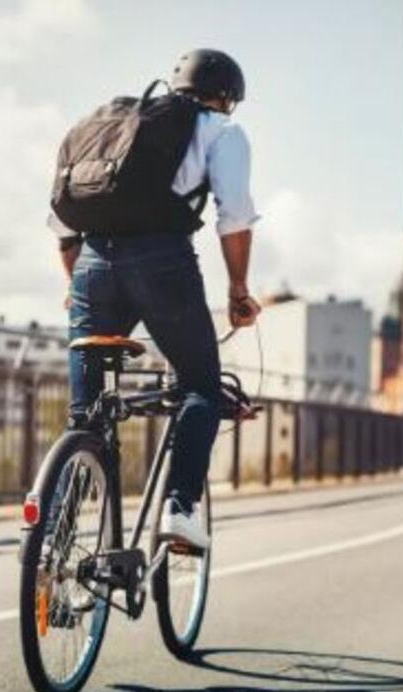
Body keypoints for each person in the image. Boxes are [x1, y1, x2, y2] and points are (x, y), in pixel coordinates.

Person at [51, 48, 261, 549]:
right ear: (226, 98)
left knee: (87, 416)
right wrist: (238, 291)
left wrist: (75, 284)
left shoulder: (109, 127)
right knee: (200, 388)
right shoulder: (221, 131)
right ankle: (180, 509)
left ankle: (52, 540)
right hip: (162, 263)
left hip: (91, 266)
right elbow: (233, 215)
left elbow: (63, 228)